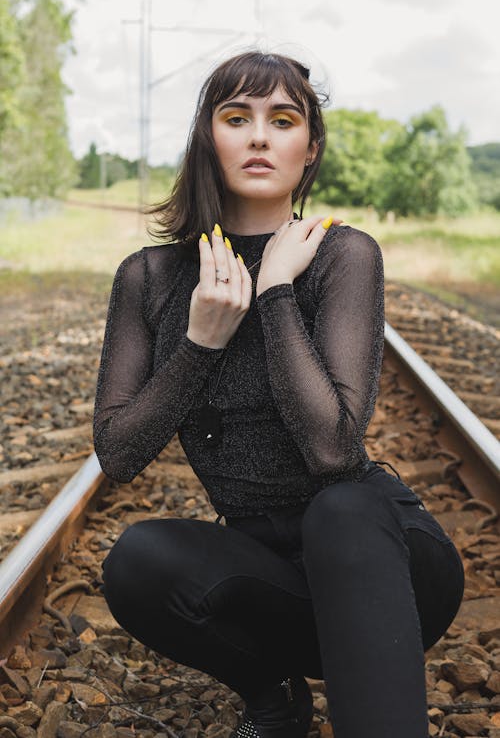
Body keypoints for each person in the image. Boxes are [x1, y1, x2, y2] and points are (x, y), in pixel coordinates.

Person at [93, 50, 465, 738]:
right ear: (209, 137)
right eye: (237, 117)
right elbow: (117, 453)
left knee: (343, 507)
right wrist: (200, 342)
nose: (260, 136)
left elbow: (331, 449)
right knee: (136, 561)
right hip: (270, 584)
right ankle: (273, 697)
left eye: (282, 119)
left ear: (309, 148)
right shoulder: (149, 278)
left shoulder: (343, 255)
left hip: (386, 563)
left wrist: (274, 292)